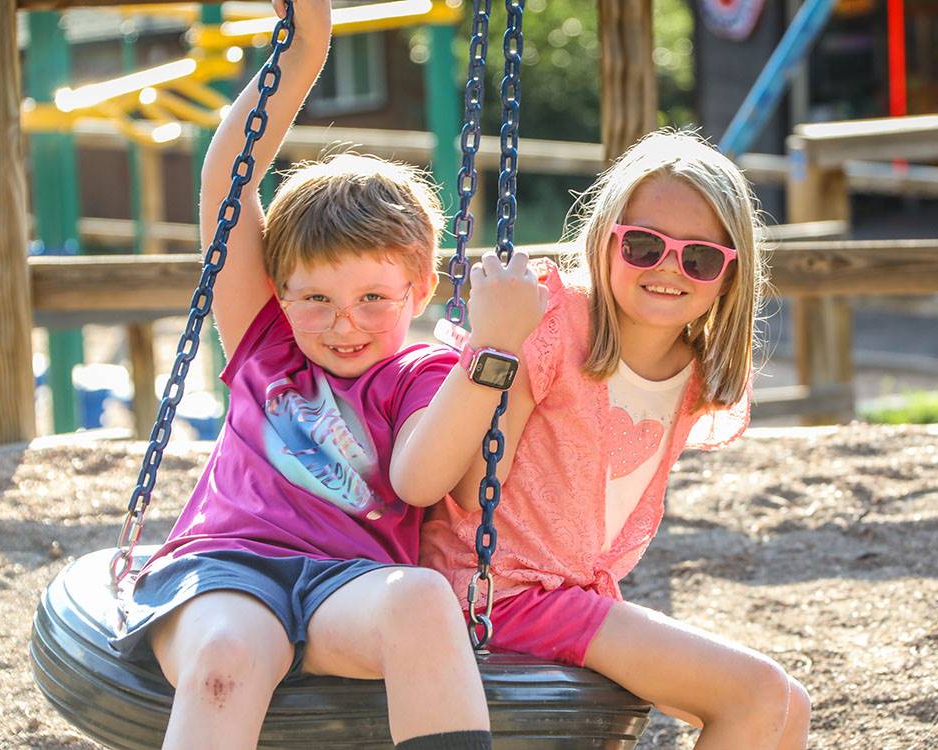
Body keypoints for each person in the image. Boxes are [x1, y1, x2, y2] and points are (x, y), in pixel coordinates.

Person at [110, 1, 546, 748]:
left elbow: (416, 480)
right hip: (226, 569)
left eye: (372, 298)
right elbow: (228, 178)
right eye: (316, 299)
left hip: (346, 586)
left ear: (421, 288)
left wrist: (492, 352)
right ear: (279, 292)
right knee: (226, 656)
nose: (343, 323)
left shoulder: (429, 375)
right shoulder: (263, 340)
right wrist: (306, 46)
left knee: (421, 598)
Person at [422, 130, 812, 749]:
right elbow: (473, 493)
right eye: (643, 244)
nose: (668, 269)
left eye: (700, 258)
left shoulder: (696, 374)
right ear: (605, 239)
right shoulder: (553, 322)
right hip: (494, 591)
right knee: (758, 692)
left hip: (571, 597)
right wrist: (503, 346)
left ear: (730, 274)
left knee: (788, 705)